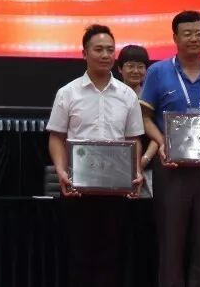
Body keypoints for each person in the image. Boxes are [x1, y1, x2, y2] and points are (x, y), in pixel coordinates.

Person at [140, 10, 200, 287]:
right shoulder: (158, 72)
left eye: (198, 33)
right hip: (171, 167)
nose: (194, 38)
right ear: (175, 38)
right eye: (188, 34)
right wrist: (162, 143)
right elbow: (144, 118)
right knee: (171, 242)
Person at [46, 24, 145, 287]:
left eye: (110, 50)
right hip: (77, 189)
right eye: (98, 49)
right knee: (78, 256)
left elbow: (134, 138)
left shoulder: (127, 95)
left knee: (111, 257)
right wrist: (61, 171)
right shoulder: (68, 93)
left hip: (116, 190)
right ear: (84, 53)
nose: (105, 55)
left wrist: (135, 171)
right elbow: (56, 137)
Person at [117, 44, 160, 177]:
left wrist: (143, 161)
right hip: (115, 164)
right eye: (130, 66)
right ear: (120, 68)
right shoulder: (111, 96)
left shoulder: (151, 98)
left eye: (141, 67)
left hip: (147, 168)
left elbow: (158, 134)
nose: (136, 71)